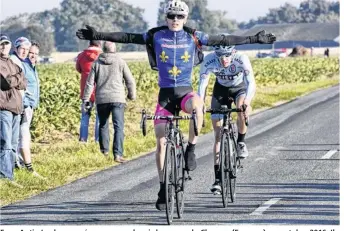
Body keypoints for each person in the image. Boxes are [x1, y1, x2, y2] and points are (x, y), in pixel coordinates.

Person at [76, 0, 276, 210]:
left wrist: (255, 39)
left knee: (198, 108)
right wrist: (98, 35)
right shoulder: (156, 35)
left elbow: (225, 38)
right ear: (166, 17)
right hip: (165, 96)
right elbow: (127, 37)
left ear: (185, 18)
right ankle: (163, 187)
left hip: (184, 92)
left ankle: (190, 149)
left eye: (180, 16)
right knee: (161, 142)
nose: (175, 20)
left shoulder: (194, 36)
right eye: (171, 16)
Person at [198, 44, 256, 194]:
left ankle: (241, 142)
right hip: (220, 90)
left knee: (242, 109)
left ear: (233, 53)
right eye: (220, 56)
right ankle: (218, 178)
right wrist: (201, 104)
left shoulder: (241, 58)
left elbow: (251, 83)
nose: (224, 60)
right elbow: (202, 84)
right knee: (218, 135)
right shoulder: (209, 59)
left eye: (227, 56)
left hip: (239, 88)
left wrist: (247, 102)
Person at [83, 41, 136, 163]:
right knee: (119, 126)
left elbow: (90, 83)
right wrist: (131, 95)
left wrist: (86, 99)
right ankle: (117, 154)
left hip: (102, 99)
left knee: (103, 124)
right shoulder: (121, 62)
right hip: (118, 98)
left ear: (104, 50)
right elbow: (130, 81)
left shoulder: (96, 63)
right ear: (115, 49)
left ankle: (104, 151)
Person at [0, 35, 27, 182]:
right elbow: (4, 83)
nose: (4, 47)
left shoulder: (11, 62)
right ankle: (5, 176)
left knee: (13, 143)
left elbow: (24, 81)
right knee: (6, 142)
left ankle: (10, 173)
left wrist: (15, 78)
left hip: (16, 108)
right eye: (1, 45)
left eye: (6, 44)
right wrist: (17, 78)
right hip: (4, 107)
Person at [18, 41, 43, 178]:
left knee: (22, 135)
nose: (33, 55)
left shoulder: (33, 66)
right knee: (24, 135)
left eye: (35, 53)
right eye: (31, 52)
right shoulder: (24, 66)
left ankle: (19, 164)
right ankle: (28, 168)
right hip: (24, 105)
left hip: (30, 105)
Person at [10, 37, 31, 169]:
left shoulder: (20, 61)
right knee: (15, 137)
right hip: (15, 103)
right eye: (22, 49)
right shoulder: (14, 61)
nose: (24, 52)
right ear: (16, 48)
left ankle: (16, 163)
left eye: (27, 50)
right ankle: (14, 164)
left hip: (20, 102)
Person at [76, 40, 102, 142]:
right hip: (99, 89)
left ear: (89, 44)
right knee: (99, 116)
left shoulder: (81, 55)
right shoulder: (101, 56)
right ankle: (98, 140)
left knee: (85, 116)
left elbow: (78, 69)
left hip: (85, 90)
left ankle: (83, 139)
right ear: (99, 44)